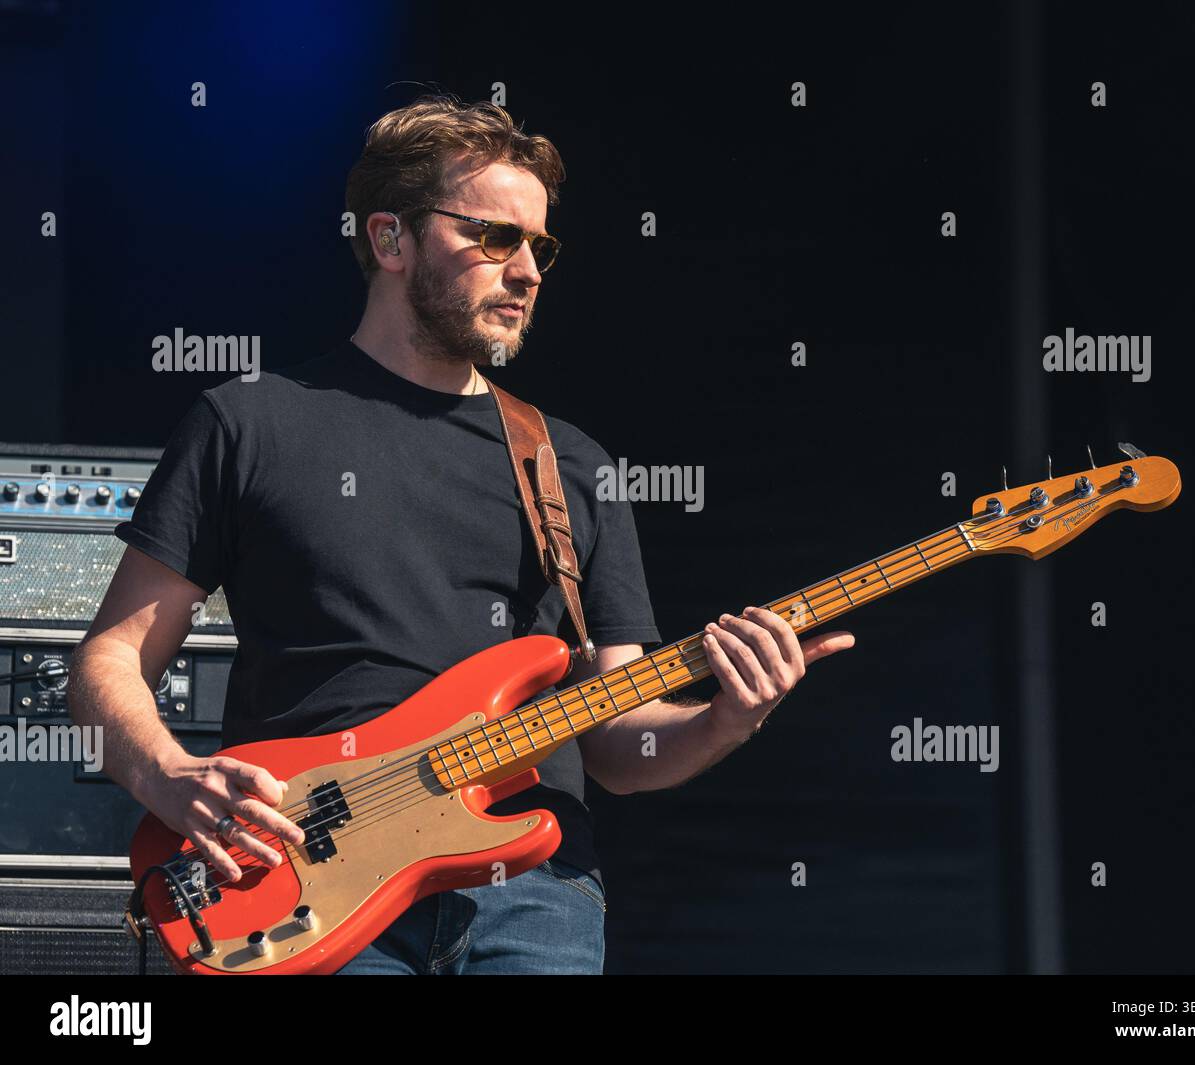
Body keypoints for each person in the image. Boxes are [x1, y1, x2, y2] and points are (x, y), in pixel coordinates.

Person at [68, 95, 855, 975]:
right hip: (306, 884)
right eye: (494, 237)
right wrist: (172, 780)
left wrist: (726, 719)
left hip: (535, 893)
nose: (527, 271)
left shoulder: (572, 467)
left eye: (540, 247)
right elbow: (109, 661)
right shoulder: (248, 424)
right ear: (391, 240)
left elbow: (622, 744)